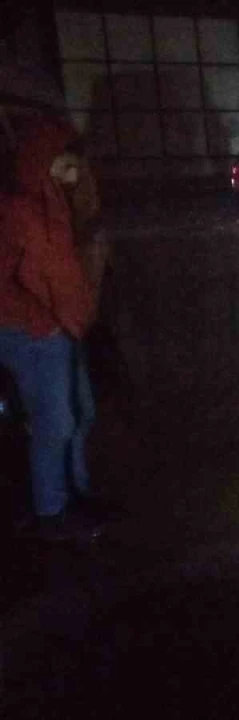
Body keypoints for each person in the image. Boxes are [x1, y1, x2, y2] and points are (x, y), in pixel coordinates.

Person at [0, 116, 101, 541]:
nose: (74, 174)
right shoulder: (16, 209)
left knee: (79, 415)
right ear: (43, 158)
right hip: (33, 335)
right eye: (66, 164)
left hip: (64, 330)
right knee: (55, 421)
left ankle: (76, 495)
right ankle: (51, 510)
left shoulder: (55, 201)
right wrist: (42, 323)